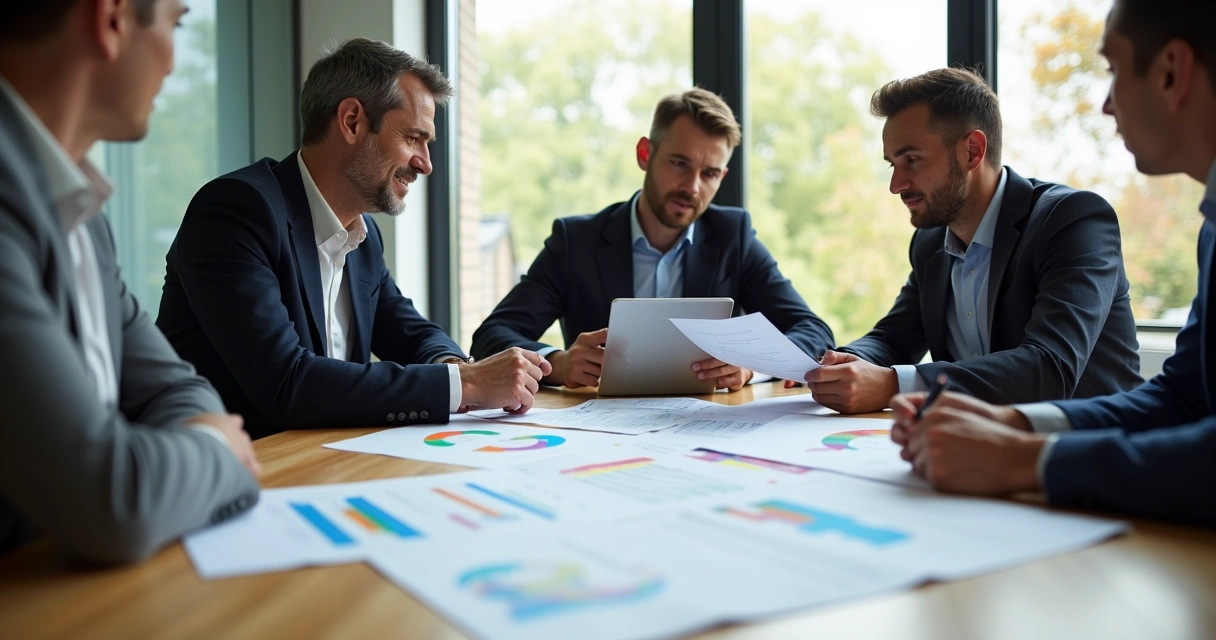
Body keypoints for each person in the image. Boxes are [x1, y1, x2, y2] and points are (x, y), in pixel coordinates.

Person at [892, 0, 1216, 528]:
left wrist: (1023, 457)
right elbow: (1184, 395)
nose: (1107, 105)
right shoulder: (1213, 224)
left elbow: (1052, 366)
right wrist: (1013, 423)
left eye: (1112, 70)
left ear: (1172, 73)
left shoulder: (1072, 217)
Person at [157, 39, 550, 440]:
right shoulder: (236, 211)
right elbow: (286, 384)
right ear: (351, 121)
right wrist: (466, 385)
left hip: (322, 463)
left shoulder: (363, 234)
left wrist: (456, 366)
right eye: (414, 138)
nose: (426, 164)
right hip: (227, 473)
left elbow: (410, 332)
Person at [0, 0, 261, 564]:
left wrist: (161, 463)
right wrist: (218, 449)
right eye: (177, 22)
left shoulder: (82, 213)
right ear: (112, 19)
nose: (174, 60)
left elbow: (175, 389)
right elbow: (110, 500)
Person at [803, 67, 1142, 414]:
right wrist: (838, 364)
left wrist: (892, 385)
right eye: (893, 165)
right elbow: (893, 338)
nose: (896, 185)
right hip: (976, 447)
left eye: (912, 160)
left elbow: (1050, 368)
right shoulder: (930, 243)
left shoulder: (1073, 220)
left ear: (972, 151)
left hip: (1090, 451)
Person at [470, 88, 835, 391]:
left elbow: (813, 330)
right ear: (646, 154)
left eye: (709, 173)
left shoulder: (732, 237)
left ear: (722, 176)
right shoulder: (575, 241)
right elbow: (493, 335)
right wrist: (558, 362)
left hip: (705, 425)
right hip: (597, 429)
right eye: (679, 163)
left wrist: (751, 366)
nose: (692, 187)